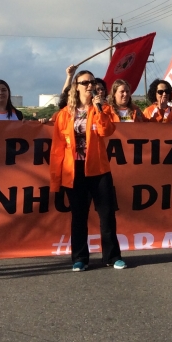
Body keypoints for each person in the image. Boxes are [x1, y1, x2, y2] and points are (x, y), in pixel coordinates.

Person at [49, 69, 125, 271]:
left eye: (92, 82)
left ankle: (112, 256)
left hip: (98, 169)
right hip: (74, 170)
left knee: (107, 214)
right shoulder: (64, 114)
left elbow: (106, 130)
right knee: (79, 216)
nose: (90, 86)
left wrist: (99, 108)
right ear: (76, 86)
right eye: (85, 83)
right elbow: (57, 150)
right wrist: (56, 182)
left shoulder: (103, 108)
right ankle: (80, 258)